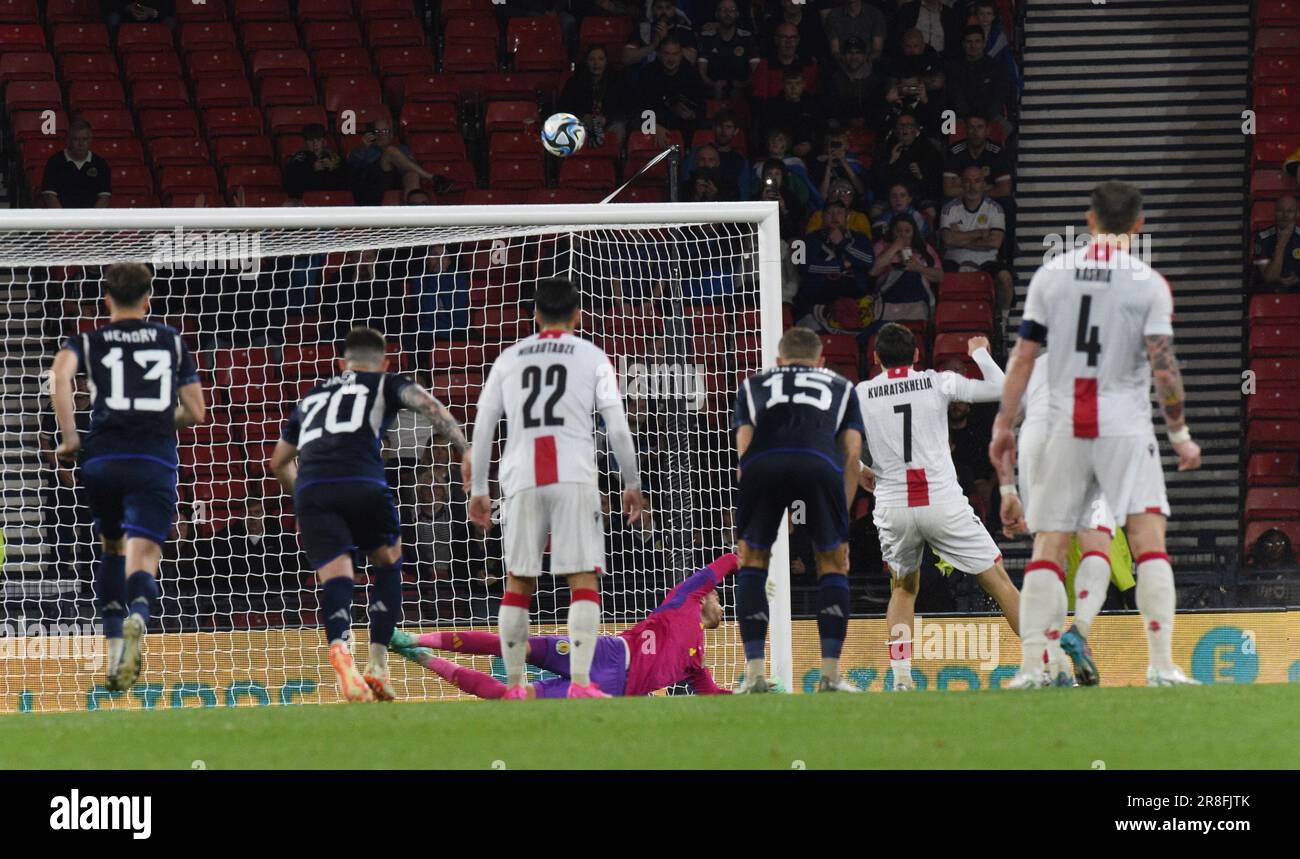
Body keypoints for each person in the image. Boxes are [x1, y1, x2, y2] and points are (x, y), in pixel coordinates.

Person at [990, 180, 1203, 688]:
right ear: (1138, 225)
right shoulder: (1148, 282)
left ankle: (1032, 667)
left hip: (1065, 422)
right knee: (1149, 540)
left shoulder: (1051, 276)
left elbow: (1023, 358)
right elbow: (1165, 367)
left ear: (1089, 221)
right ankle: (1160, 666)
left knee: (1050, 543)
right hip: (1126, 427)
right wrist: (1180, 435)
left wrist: (1003, 424)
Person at [468, 278, 647, 699]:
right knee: (582, 578)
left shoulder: (508, 359)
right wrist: (632, 482)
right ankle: (581, 684)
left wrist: (479, 487)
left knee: (518, 580)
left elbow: (483, 424)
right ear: (578, 316)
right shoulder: (593, 356)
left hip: (521, 479)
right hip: (574, 475)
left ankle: (514, 686)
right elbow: (617, 426)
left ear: (534, 315)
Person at [269, 327, 469, 702]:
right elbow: (432, 409)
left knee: (336, 576)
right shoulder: (386, 383)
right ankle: (377, 663)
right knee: (387, 561)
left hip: (313, 487)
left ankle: (340, 649)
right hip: (361, 480)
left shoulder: (314, 395)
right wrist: (464, 447)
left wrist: (307, 497)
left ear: (341, 363)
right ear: (385, 362)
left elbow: (278, 461)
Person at [48, 263, 206, 691]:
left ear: (106, 300)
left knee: (113, 546)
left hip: (102, 458)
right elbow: (195, 412)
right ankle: (139, 613)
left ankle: (116, 648)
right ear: (148, 298)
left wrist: (69, 436)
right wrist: (157, 418)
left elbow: (59, 376)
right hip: (153, 459)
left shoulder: (87, 339)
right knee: (145, 553)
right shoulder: (171, 341)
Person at [854, 324, 1020, 691]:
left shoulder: (860, 393)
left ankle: (900, 680)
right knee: (998, 582)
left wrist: (861, 471)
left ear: (876, 358)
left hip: (894, 505)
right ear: (917, 354)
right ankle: (1046, 664)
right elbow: (1002, 388)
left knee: (903, 588)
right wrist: (979, 352)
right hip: (942, 502)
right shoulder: (936, 381)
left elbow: (835, 442)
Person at [390, 552, 739, 697]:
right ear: (707, 597)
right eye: (720, 598)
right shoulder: (684, 599)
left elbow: (713, 697)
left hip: (610, 688)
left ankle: (421, 657)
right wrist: (748, 560)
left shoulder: (697, 662)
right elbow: (722, 565)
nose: (722, 606)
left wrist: (747, 693)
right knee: (515, 644)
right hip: (608, 652)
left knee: (514, 699)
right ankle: (412, 636)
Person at [732, 327, 865, 693]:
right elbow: (852, 453)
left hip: (763, 464)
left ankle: (756, 674)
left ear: (779, 361)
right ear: (820, 361)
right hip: (818, 464)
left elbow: (744, 451)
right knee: (832, 562)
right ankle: (830, 675)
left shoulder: (753, 384)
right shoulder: (841, 385)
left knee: (753, 561)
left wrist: (761, 510)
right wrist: (842, 516)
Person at [994, 351, 1134, 686]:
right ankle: (1080, 630)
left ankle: (1042, 665)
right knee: (1097, 545)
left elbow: (1005, 424)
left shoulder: (1033, 362)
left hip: (1038, 438)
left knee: (1048, 553)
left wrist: (1007, 489)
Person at [940, 165, 1013, 324]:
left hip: (987, 261)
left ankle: (1003, 322)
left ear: (983, 184)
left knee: (1005, 279)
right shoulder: (949, 209)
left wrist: (960, 238)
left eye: (977, 181)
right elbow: (948, 240)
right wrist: (979, 233)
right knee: (936, 276)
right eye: (967, 181)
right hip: (954, 260)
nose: (972, 186)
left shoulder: (995, 209)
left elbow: (995, 243)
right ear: (961, 184)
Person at [346, 120, 437, 206]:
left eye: (385, 131)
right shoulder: (365, 149)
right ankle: (433, 178)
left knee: (412, 174)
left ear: (391, 135)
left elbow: (413, 166)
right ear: (372, 134)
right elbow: (352, 164)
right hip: (371, 186)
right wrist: (363, 148)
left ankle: (410, 212)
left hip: (394, 181)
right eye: (377, 131)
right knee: (390, 151)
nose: (381, 135)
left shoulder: (401, 148)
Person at [870, 213, 941, 322]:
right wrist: (894, 247)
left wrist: (918, 267)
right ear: (892, 232)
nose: (903, 235)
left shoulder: (924, 247)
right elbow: (873, 272)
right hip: (889, 300)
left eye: (907, 231)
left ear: (914, 232)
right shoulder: (882, 246)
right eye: (898, 231)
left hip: (917, 303)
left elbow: (940, 276)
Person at [557, 44, 629, 147]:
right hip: (583, 124)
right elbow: (563, 107)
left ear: (606, 61)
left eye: (600, 59)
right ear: (586, 61)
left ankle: (614, 161)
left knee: (619, 129)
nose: (596, 63)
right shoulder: (575, 82)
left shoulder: (617, 81)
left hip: (609, 123)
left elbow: (624, 107)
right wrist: (582, 116)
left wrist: (607, 118)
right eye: (592, 59)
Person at [41, 119, 112, 209]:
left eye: (85, 139)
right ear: (68, 140)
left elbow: (104, 198)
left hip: (91, 220)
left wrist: (91, 221)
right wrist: (65, 221)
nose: (81, 144)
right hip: (61, 220)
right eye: (76, 139)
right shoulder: (55, 162)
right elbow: (50, 196)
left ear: (91, 140)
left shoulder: (100, 164)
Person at [696, 0, 759, 100]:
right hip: (713, 92)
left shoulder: (747, 38)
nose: (728, 13)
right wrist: (714, 86)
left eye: (732, 10)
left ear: (737, 14)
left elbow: (756, 72)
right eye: (723, 10)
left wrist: (742, 85)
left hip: (742, 93)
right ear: (716, 14)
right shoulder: (706, 38)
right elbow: (701, 73)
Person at [283, 123, 344, 201]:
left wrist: (333, 168)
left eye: (318, 140)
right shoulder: (299, 158)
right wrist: (311, 168)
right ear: (305, 142)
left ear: (324, 141)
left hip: (330, 199)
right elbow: (292, 183)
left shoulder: (333, 157)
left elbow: (343, 180)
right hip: (306, 200)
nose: (315, 144)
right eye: (311, 140)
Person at [1253, 193, 1299, 291]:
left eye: (1290, 211)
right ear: (1274, 212)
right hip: (1271, 289)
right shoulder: (1263, 237)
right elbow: (1269, 278)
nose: (1285, 215)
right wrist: (1281, 245)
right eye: (1280, 210)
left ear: (1297, 213)